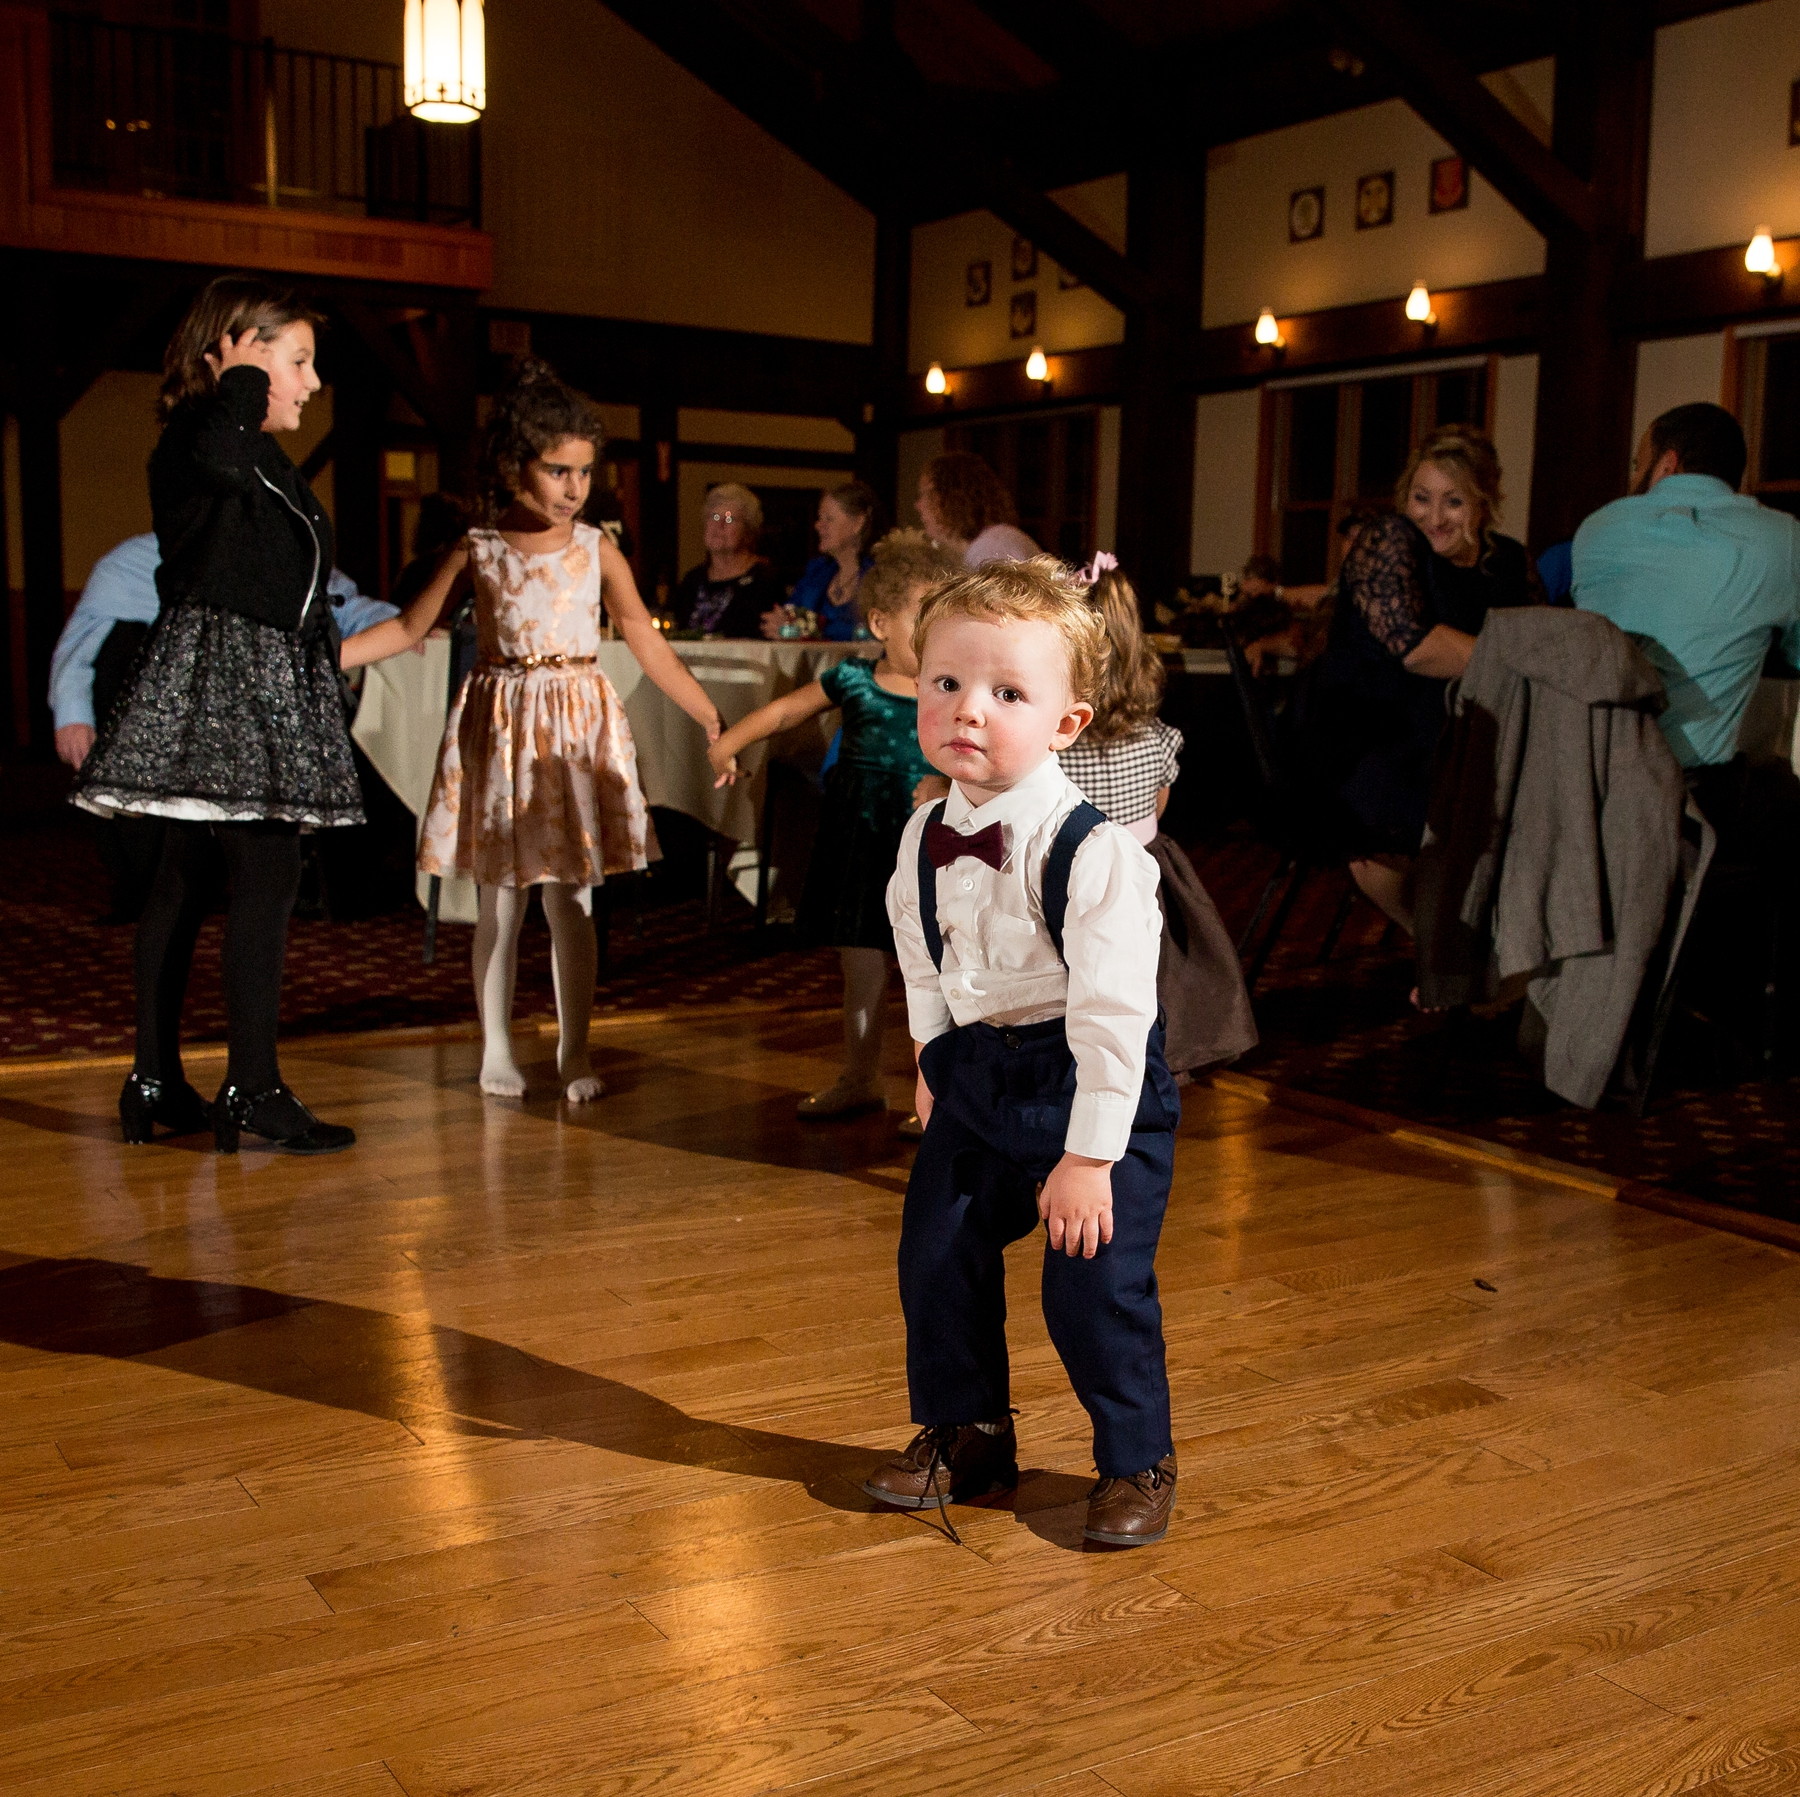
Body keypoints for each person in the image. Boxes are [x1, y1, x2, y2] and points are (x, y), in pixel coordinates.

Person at [866, 556, 1181, 1549]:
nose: (967, 709)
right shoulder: (923, 834)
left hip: (1090, 1087)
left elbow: (1114, 1020)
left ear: (1066, 724)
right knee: (937, 1247)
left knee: (1090, 1279)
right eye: (946, 683)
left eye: (1006, 693)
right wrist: (929, 1056)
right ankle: (971, 1432)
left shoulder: (1095, 857)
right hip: (976, 1075)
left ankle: (1137, 1458)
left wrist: (1089, 1158)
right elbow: (922, 955)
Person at [342, 359, 722, 1102]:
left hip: (573, 730)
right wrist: (331, 653)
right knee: (502, 901)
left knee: (572, 899)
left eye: (584, 471)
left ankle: (574, 1049)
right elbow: (411, 626)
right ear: (518, 464)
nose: (575, 487)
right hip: (503, 723)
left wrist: (705, 709)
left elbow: (643, 634)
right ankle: (495, 1047)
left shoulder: (597, 548)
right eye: (559, 470)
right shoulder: (479, 546)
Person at [73, 275, 367, 1154]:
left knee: (184, 878)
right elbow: (222, 470)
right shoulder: (206, 432)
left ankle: (159, 1078)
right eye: (299, 361)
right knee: (263, 879)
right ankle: (253, 1086)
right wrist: (238, 380)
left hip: (247, 675)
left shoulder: (250, 447)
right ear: (238, 348)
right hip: (230, 681)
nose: (313, 384)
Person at [709, 529, 959, 1119]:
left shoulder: (950, 693)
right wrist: (730, 744)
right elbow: (787, 709)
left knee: (940, 974)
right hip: (859, 844)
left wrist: (948, 787)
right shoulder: (853, 680)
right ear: (879, 624)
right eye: (922, 619)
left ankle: (942, 1101)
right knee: (860, 966)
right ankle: (860, 1076)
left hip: (926, 849)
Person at [52, 533, 398, 923]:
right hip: (150, 709)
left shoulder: (286, 551)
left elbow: (343, 607)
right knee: (151, 869)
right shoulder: (132, 560)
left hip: (239, 714)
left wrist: (398, 626)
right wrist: (73, 715)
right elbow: (81, 644)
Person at [1300, 424, 1542, 934]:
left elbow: (1545, 640)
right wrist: (1519, 660)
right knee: (1380, 838)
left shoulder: (1511, 560)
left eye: (1453, 501)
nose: (1434, 516)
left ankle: (1491, 950)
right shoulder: (1391, 543)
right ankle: (1440, 948)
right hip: (1377, 730)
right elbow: (1417, 650)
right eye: (1421, 498)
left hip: (1482, 728)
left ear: (1484, 502)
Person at [1058, 553, 1257, 1076]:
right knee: (1144, 979)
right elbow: (1158, 808)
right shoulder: (1155, 737)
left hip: (1068, 878)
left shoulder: (1052, 745)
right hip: (1140, 872)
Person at [1574, 403, 1800, 803]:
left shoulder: (1598, 528)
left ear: (1667, 464)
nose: (1633, 476)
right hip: (1690, 795)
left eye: (1637, 463)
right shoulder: (1784, 540)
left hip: (1583, 776)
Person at [669, 482, 787, 636]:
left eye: (730, 519)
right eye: (714, 516)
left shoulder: (765, 581)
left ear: (748, 531)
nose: (719, 525)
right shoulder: (692, 580)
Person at [773, 481, 880, 640]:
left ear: (858, 523)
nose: (818, 525)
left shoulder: (879, 577)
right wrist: (784, 624)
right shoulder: (816, 572)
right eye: (819, 518)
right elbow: (790, 615)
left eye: (828, 519)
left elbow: (874, 634)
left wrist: (808, 629)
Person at [916, 452, 1039, 567]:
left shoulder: (992, 548)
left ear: (950, 498)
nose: (918, 505)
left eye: (924, 494)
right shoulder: (993, 542)